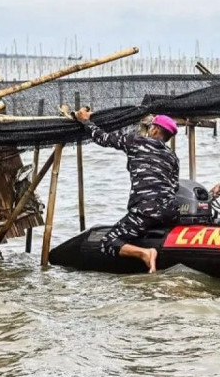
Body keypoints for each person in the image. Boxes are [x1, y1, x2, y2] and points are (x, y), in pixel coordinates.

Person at [75, 110, 180, 273]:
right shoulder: (173, 157)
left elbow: (103, 138)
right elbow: (174, 187)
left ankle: (145, 253)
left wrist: (85, 121)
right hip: (169, 213)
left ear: (155, 130)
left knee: (109, 242)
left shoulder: (135, 141)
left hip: (145, 212)